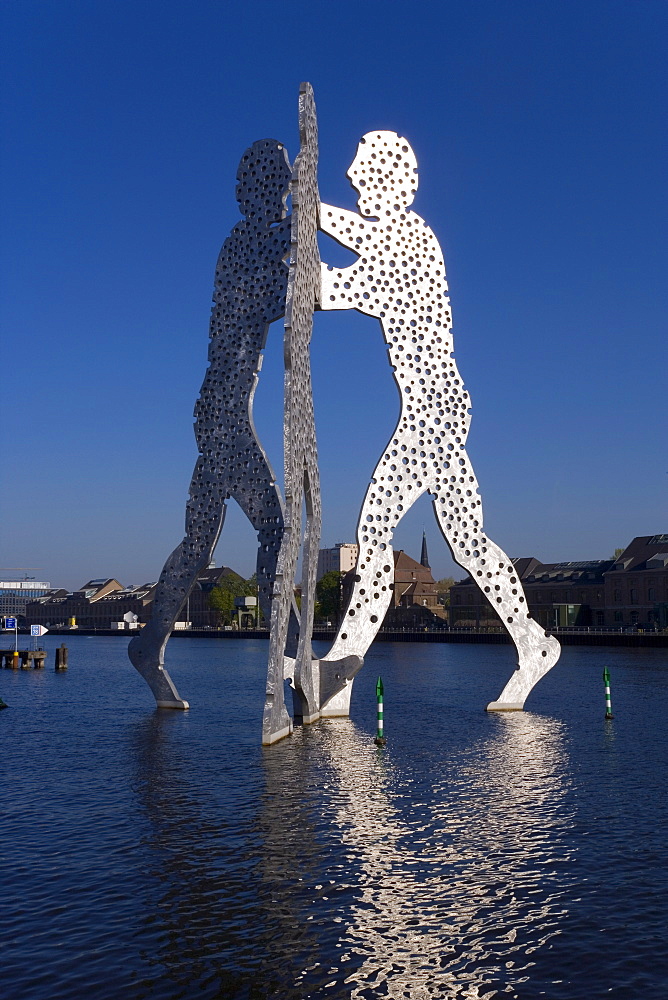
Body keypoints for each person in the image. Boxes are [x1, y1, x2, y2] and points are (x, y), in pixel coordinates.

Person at [317, 131, 560, 712]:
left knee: (375, 535)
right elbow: (352, 230)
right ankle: (532, 644)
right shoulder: (395, 231)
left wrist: (297, 267)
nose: (350, 180)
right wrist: (306, 208)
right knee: (469, 544)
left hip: (433, 412)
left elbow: (347, 288)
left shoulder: (412, 242)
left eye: (359, 172)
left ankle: (338, 674)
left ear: (390, 178)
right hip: (442, 408)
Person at [129, 139, 296, 733]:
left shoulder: (246, 241)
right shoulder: (246, 244)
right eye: (275, 189)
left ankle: (148, 646)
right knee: (275, 528)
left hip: (215, 409)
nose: (277, 200)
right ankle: (291, 656)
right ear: (258, 192)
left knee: (198, 544)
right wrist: (306, 225)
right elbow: (272, 300)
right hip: (224, 411)